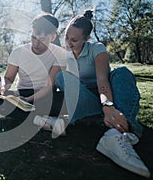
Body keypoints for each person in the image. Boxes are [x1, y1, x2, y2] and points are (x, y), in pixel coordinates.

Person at [54, 10, 150, 178]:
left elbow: (102, 80)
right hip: (87, 104)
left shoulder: (97, 48)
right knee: (62, 77)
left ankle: (119, 131)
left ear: (86, 39)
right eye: (67, 37)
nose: (68, 43)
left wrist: (108, 105)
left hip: (108, 96)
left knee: (122, 72)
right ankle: (111, 128)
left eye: (74, 40)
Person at [0, 12, 67, 121]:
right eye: (33, 37)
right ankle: (39, 118)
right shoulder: (19, 52)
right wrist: (2, 87)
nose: (36, 44)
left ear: (52, 37)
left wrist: (28, 100)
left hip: (44, 95)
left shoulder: (60, 53)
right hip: (22, 93)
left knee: (63, 100)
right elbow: (8, 78)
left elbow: (50, 86)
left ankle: (10, 114)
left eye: (42, 39)